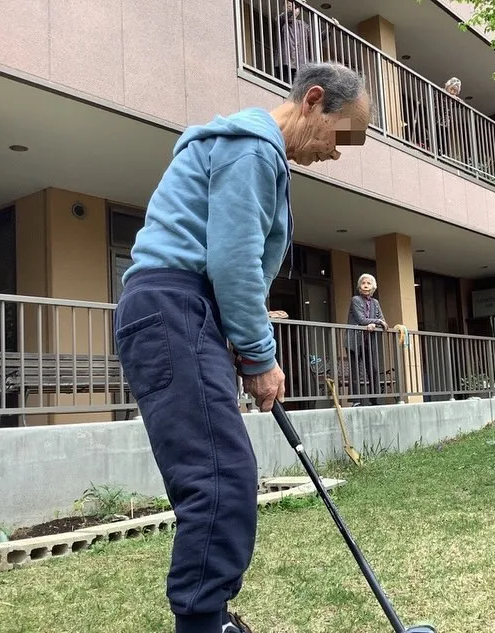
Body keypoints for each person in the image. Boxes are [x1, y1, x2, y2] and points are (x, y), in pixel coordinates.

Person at [114, 62, 371, 633]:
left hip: (180, 308)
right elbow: (233, 262)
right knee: (219, 476)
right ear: (312, 102)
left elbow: (226, 263)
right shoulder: (253, 150)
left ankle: (209, 619)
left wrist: (231, 331)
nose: (337, 152)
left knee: (220, 472)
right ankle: (203, 625)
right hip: (174, 306)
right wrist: (259, 354)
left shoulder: (249, 150)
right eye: (342, 135)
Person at [346, 273, 388, 406]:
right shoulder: (355, 300)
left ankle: (375, 399)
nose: (365, 285)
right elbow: (361, 319)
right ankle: (356, 400)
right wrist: (377, 321)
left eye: (368, 283)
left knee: (374, 368)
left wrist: (375, 324)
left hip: (369, 339)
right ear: (359, 287)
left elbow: (383, 320)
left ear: (373, 287)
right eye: (363, 283)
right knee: (355, 371)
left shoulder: (375, 302)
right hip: (354, 339)